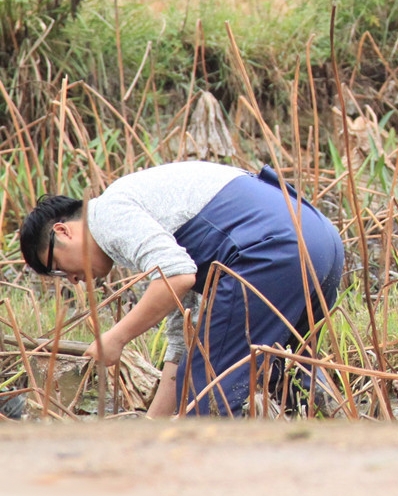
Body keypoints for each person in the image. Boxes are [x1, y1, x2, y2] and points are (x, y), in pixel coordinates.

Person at [19, 161, 344, 418]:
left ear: (63, 231)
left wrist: (116, 337)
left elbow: (177, 277)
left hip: (273, 248)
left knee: (208, 397)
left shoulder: (107, 215)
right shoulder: (148, 221)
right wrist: (152, 428)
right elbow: (180, 342)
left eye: (57, 267)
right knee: (292, 380)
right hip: (319, 238)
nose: (73, 280)